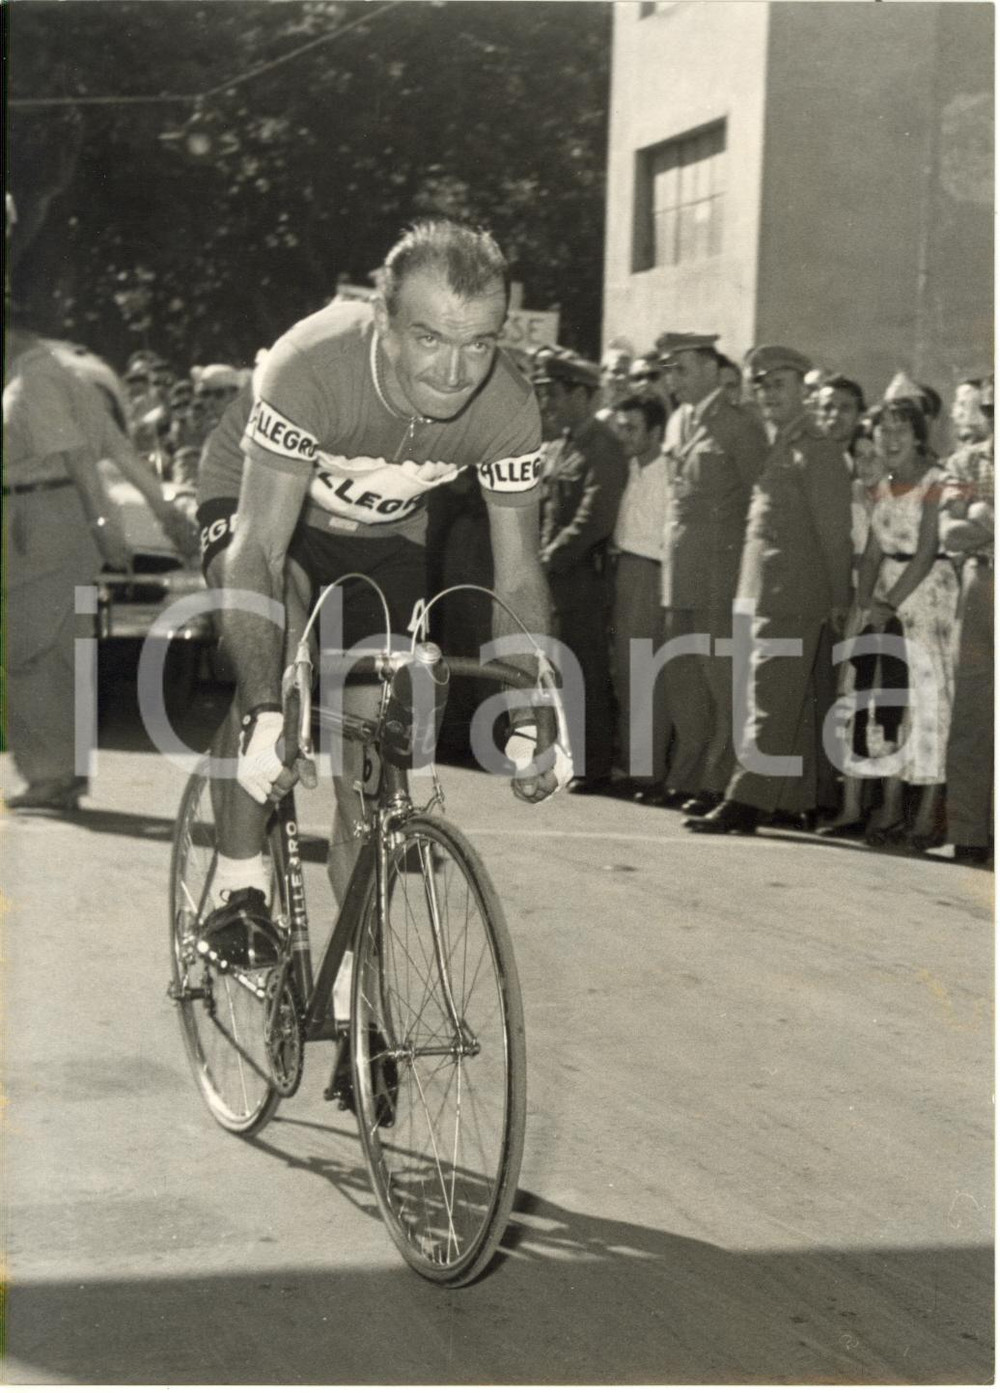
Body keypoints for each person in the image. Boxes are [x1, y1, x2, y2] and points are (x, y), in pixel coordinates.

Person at [196, 219, 565, 959]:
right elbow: (260, 551)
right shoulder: (314, 364)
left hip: (387, 536)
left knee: (375, 765)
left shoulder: (509, 408)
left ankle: (354, 969)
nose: (457, 372)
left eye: (481, 343)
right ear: (384, 324)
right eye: (431, 338)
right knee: (276, 684)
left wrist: (536, 704)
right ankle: (240, 887)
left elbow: (518, 571)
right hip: (268, 515)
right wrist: (270, 705)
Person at [687, 345, 852, 835]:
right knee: (787, 705)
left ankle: (744, 801)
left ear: (803, 389)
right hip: (770, 592)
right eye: (761, 385)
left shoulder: (816, 451)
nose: (767, 394)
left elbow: (835, 535)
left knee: (769, 700)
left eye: (778, 384)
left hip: (794, 594)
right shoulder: (783, 444)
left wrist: (839, 599)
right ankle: (786, 799)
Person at [3, 323, 133, 811]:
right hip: (48, 517)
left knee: (29, 650)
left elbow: (79, 458)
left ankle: (49, 775)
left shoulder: (34, 379)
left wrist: (103, 524)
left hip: (42, 517)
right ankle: (65, 772)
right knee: (60, 651)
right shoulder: (37, 374)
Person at [656, 331, 767, 816]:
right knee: (685, 679)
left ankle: (723, 784)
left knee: (723, 680)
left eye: (680, 369)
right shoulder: (680, 420)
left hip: (720, 571)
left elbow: (760, 500)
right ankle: (690, 775)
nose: (672, 379)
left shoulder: (740, 425)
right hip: (680, 567)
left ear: (709, 368)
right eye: (668, 370)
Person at [854, 398, 959, 850]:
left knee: (929, 700)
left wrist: (889, 603)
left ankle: (928, 814)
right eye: (883, 430)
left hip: (925, 595)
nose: (891, 439)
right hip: (886, 598)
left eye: (901, 430)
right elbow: (874, 550)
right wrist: (865, 603)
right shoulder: (882, 484)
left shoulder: (937, 483)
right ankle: (892, 805)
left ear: (918, 436)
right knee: (890, 700)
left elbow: (924, 553)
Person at [535, 346, 628, 793]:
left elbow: (594, 518)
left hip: (583, 578)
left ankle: (595, 766)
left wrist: (548, 557)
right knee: (562, 671)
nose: (546, 404)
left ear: (581, 394)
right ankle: (574, 757)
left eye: (553, 393)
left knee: (586, 670)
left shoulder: (603, 447)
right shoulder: (565, 445)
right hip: (559, 576)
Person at [937, 391, 992, 864]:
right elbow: (949, 533)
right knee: (974, 711)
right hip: (983, 587)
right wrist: (979, 522)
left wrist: (983, 519)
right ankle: (971, 831)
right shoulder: (968, 462)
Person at [608, 393, 671, 801]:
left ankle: (648, 774)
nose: (624, 435)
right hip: (625, 570)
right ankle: (633, 765)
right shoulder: (630, 468)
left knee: (647, 674)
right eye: (621, 426)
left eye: (633, 428)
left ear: (656, 432)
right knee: (626, 672)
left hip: (651, 572)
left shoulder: (669, 474)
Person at [814, 374, 866, 455]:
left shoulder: (871, 463)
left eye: (845, 408)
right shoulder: (798, 462)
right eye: (827, 407)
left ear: (859, 417)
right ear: (816, 414)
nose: (834, 414)